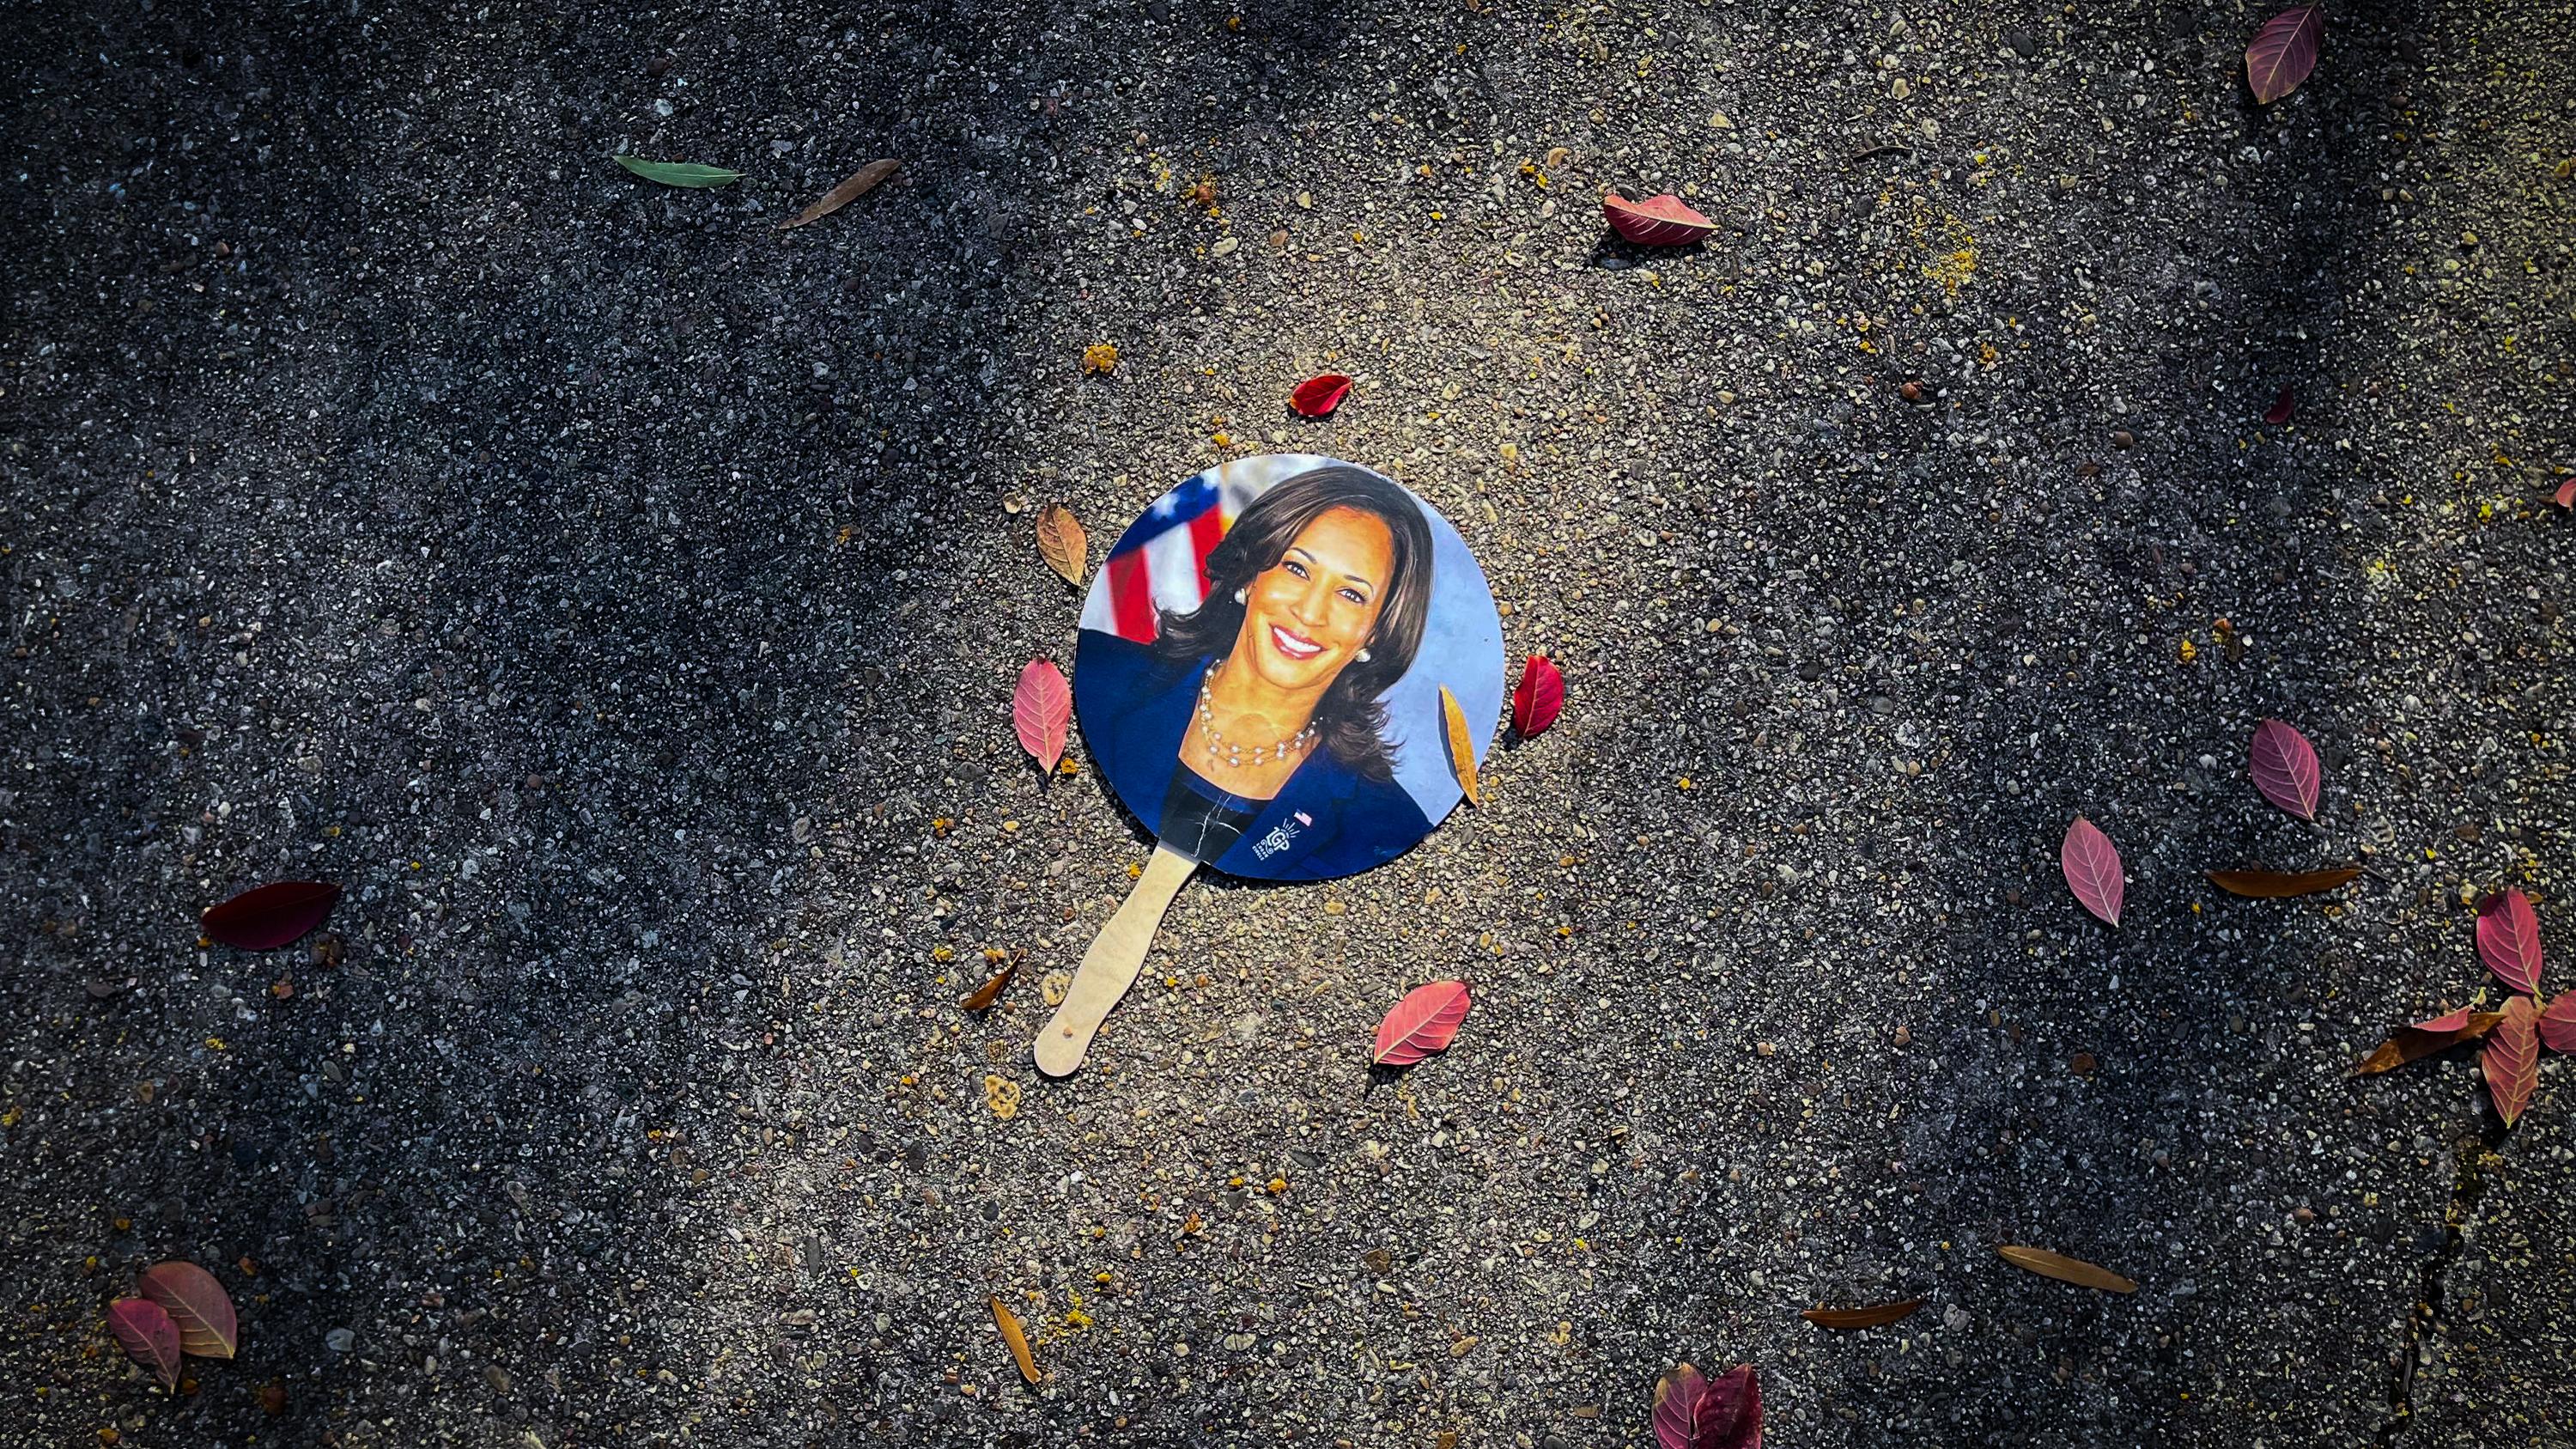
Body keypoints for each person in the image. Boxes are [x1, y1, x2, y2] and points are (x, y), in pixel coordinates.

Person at [1076, 465, 1437, 880]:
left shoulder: (1388, 825)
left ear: (1376, 632)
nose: (1310, 613)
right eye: (1297, 569)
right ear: (1250, 575)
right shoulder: (1096, 674)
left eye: (1351, 594)